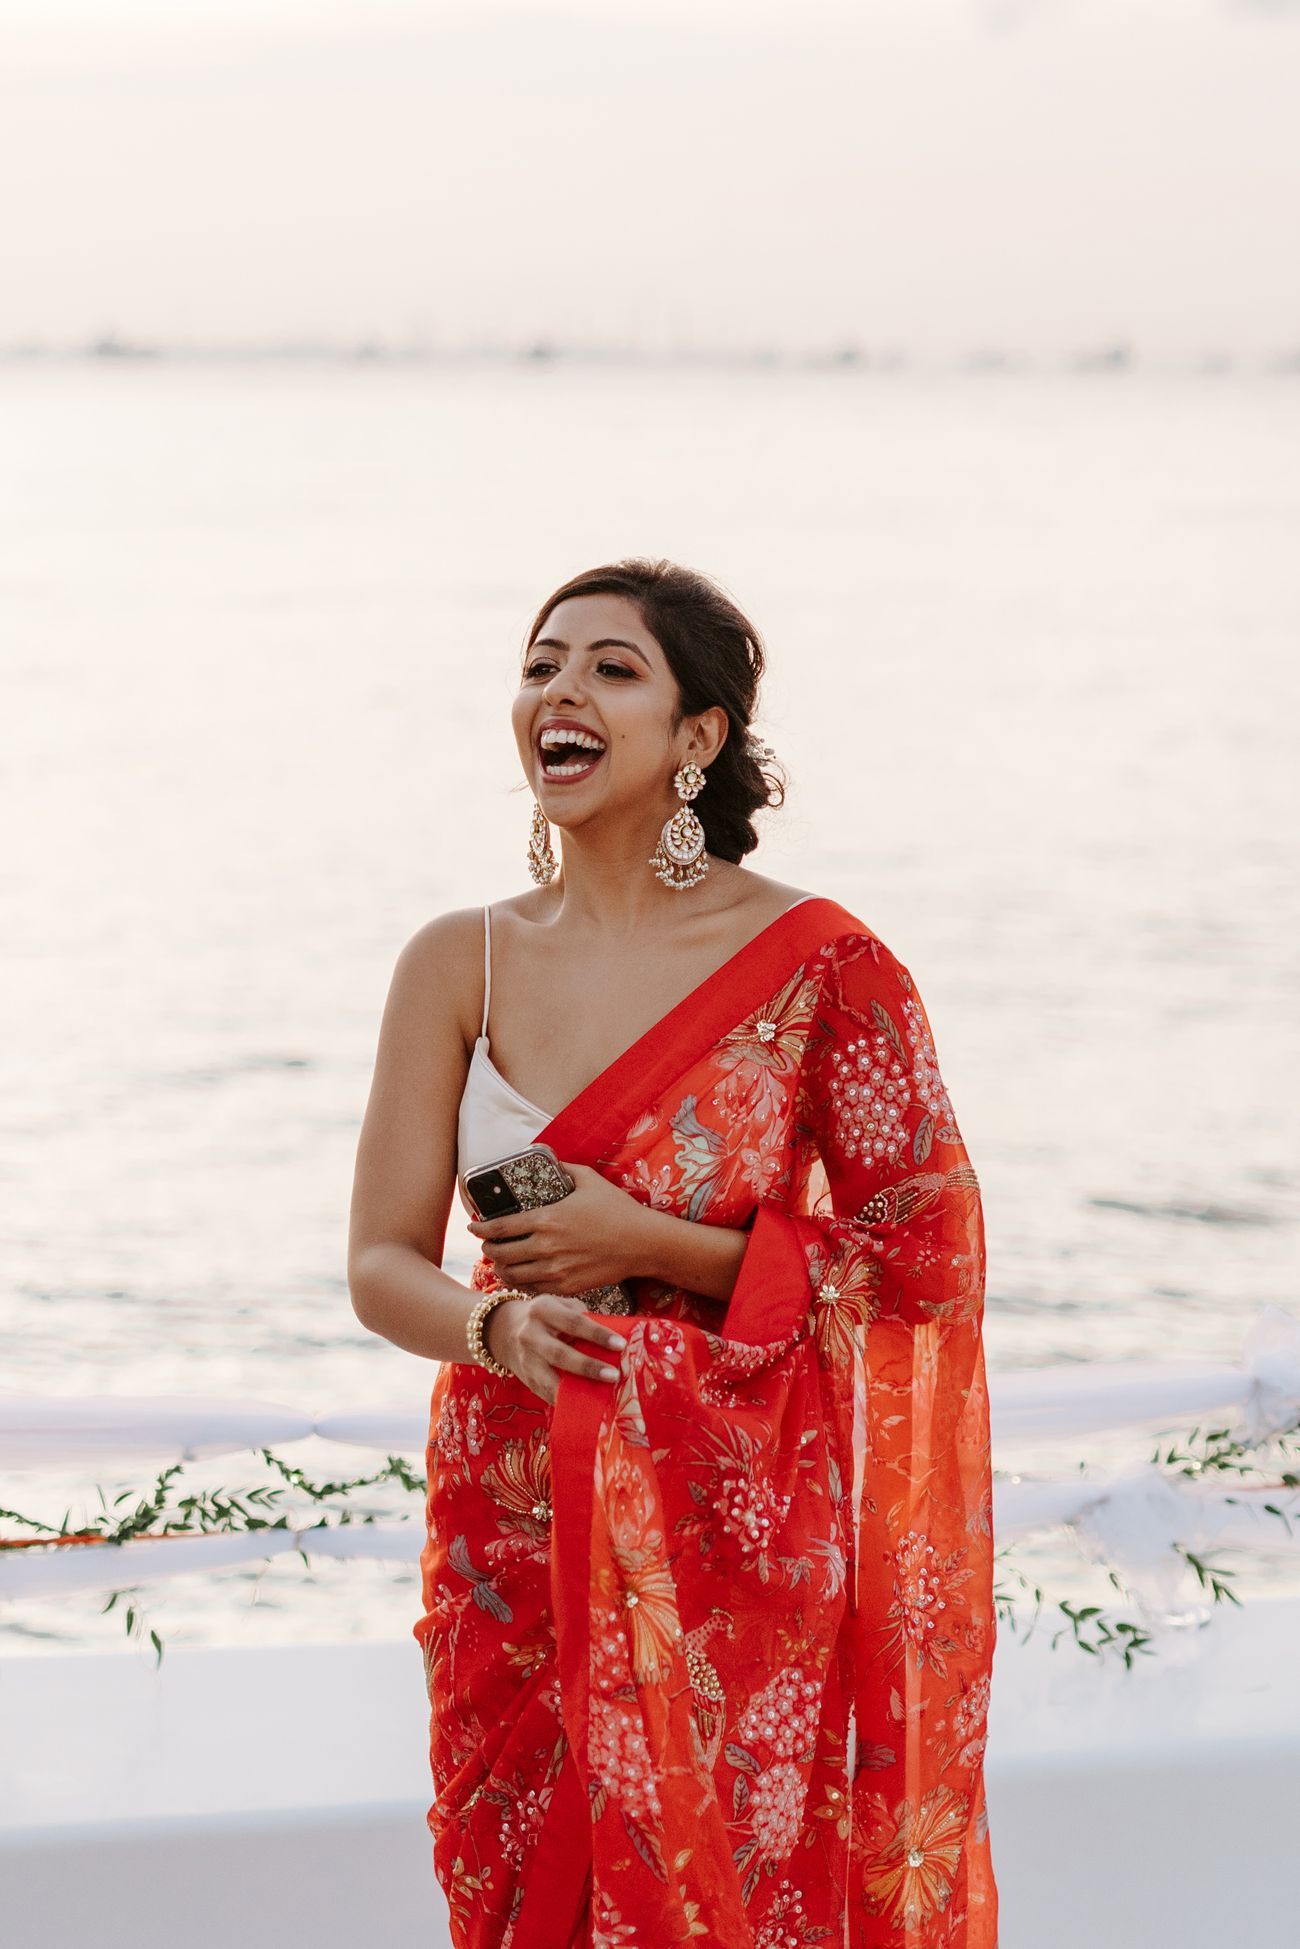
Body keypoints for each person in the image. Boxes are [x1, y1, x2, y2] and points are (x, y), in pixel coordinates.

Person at [348, 558, 998, 1948]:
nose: (559, 693)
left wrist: (649, 1243)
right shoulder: (453, 962)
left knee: (728, 1905)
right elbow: (382, 1261)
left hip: (736, 1527)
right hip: (512, 1512)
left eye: (610, 668)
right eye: (539, 666)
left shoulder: (823, 965)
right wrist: (495, 1330)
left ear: (697, 738)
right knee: (522, 1896)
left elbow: (925, 1257)